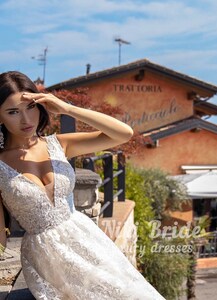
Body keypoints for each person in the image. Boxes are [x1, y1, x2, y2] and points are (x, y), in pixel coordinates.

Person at [0, 71, 165, 300]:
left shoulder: (59, 144)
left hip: (86, 239)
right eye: (13, 112)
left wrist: (67, 108)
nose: (26, 120)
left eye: (31, 107)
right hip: (46, 257)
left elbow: (123, 133)